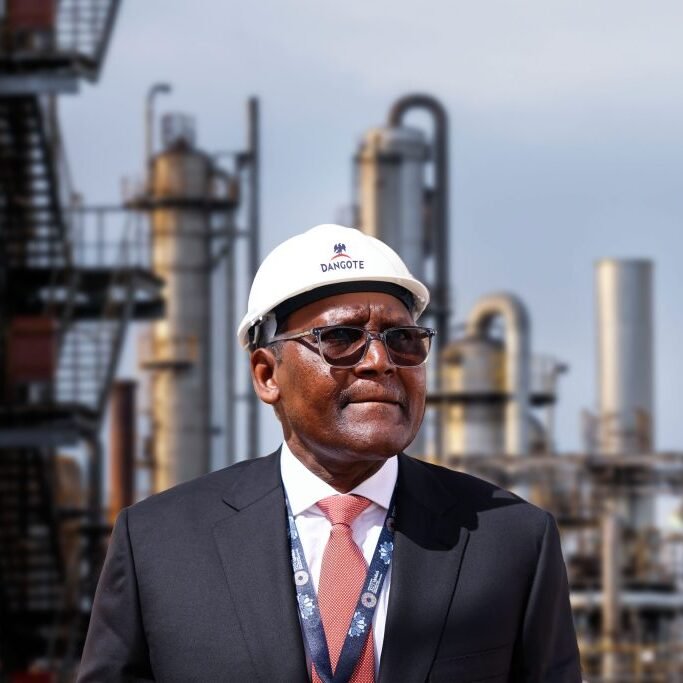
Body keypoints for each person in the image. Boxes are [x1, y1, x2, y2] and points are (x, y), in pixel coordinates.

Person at [78, 224, 582, 682]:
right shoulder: (159, 546)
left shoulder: (511, 541)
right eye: (341, 338)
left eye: (403, 339)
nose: (380, 361)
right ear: (267, 375)